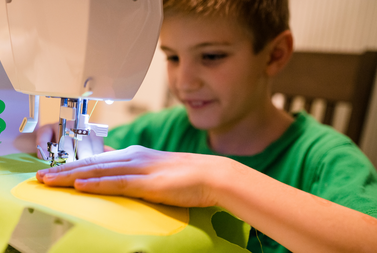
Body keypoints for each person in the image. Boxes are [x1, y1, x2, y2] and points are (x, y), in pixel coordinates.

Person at [35, 0, 377, 252]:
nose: (183, 81)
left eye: (211, 56)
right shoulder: (161, 132)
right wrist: (41, 138)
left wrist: (220, 179)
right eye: (172, 57)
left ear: (274, 55)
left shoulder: (325, 161)